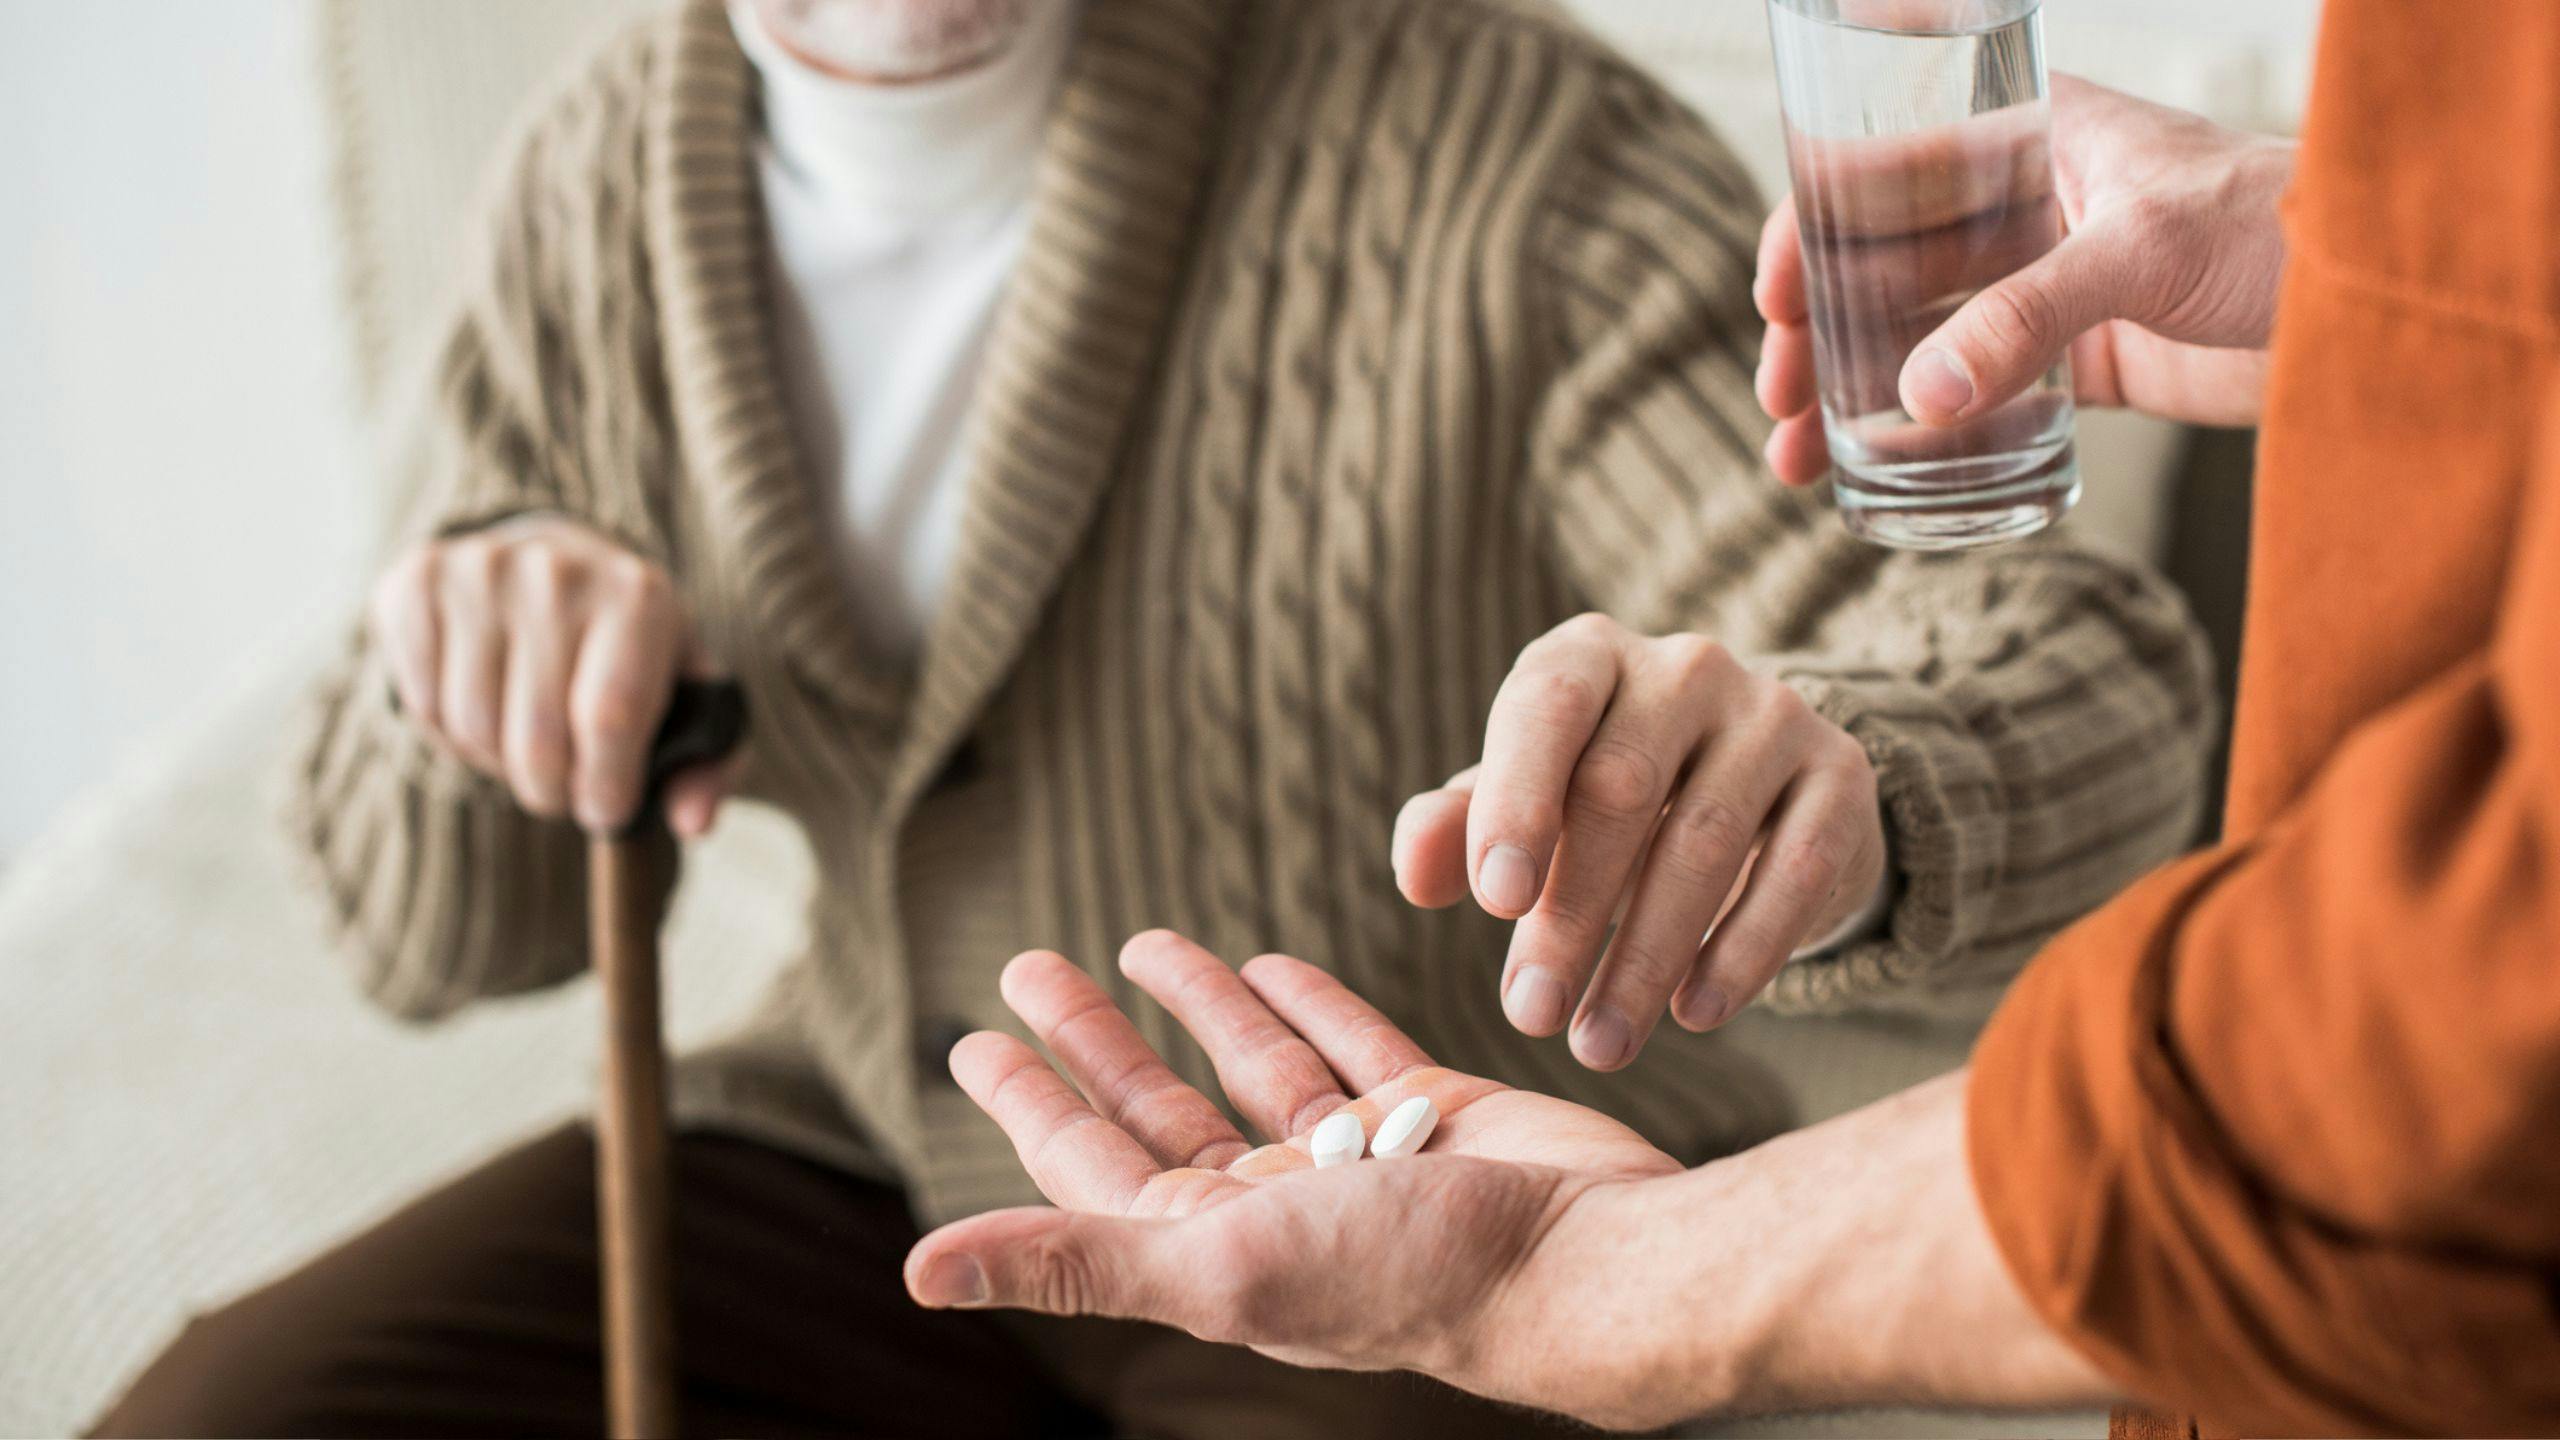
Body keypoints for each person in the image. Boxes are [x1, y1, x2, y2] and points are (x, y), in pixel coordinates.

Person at [95, 0, 2211, 1434]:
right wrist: (458, 687)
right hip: (869, 1157)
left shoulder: (1500, 155)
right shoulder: (592, 193)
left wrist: (1839, 779)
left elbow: (2067, 671)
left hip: (1426, 1219)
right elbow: (417, 929)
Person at [894, 2, 2560, 1434]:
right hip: (851, 1146)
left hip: (1398, 1182)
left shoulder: (1498, 154)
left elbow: (2445, 1044)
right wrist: (2391, 277)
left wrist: (1598, 1266)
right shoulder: (626, 163)